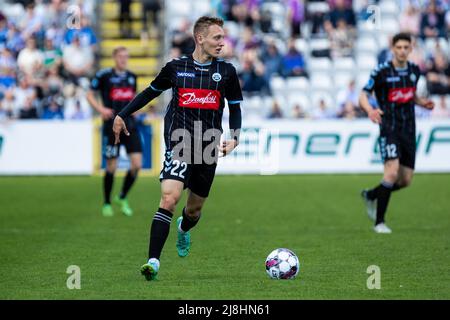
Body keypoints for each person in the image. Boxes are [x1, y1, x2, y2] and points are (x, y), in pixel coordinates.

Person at [112, 16, 243, 280]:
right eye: (217, 37)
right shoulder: (175, 67)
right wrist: (122, 114)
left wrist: (235, 136)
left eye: (223, 37)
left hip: (208, 147)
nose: (222, 42)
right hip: (179, 141)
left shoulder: (227, 72)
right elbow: (149, 92)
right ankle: (153, 262)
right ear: (200, 38)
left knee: (193, 210)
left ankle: (184, 229)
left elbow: (236, 107)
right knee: (169, 199)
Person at [359, 33, 434, 234]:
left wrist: (422, 103)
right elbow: (363, 94)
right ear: (392, 48)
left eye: (405, 47)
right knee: (391, 172)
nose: (402, 51)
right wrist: (370, 110)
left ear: (411, 49)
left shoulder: (414, 70)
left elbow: (411, 95)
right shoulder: (381, 71)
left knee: (405, 180)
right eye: (398, 47)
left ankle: (372, 195)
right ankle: (379, 222)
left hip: (409, 129)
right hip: (389, 128)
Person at [87, 46, 142, 217]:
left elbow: (134, 99)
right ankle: (107, 202)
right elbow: (89, 94)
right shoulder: (104, 75)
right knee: (111, 166)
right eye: (120, 56)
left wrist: (137, 110)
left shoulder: (132, 77)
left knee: (137, 165)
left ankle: (122, 196)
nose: (123, 59)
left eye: (126, 56)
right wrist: (101, 109)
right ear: (114, 57)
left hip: (130, 125)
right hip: (111, 126)